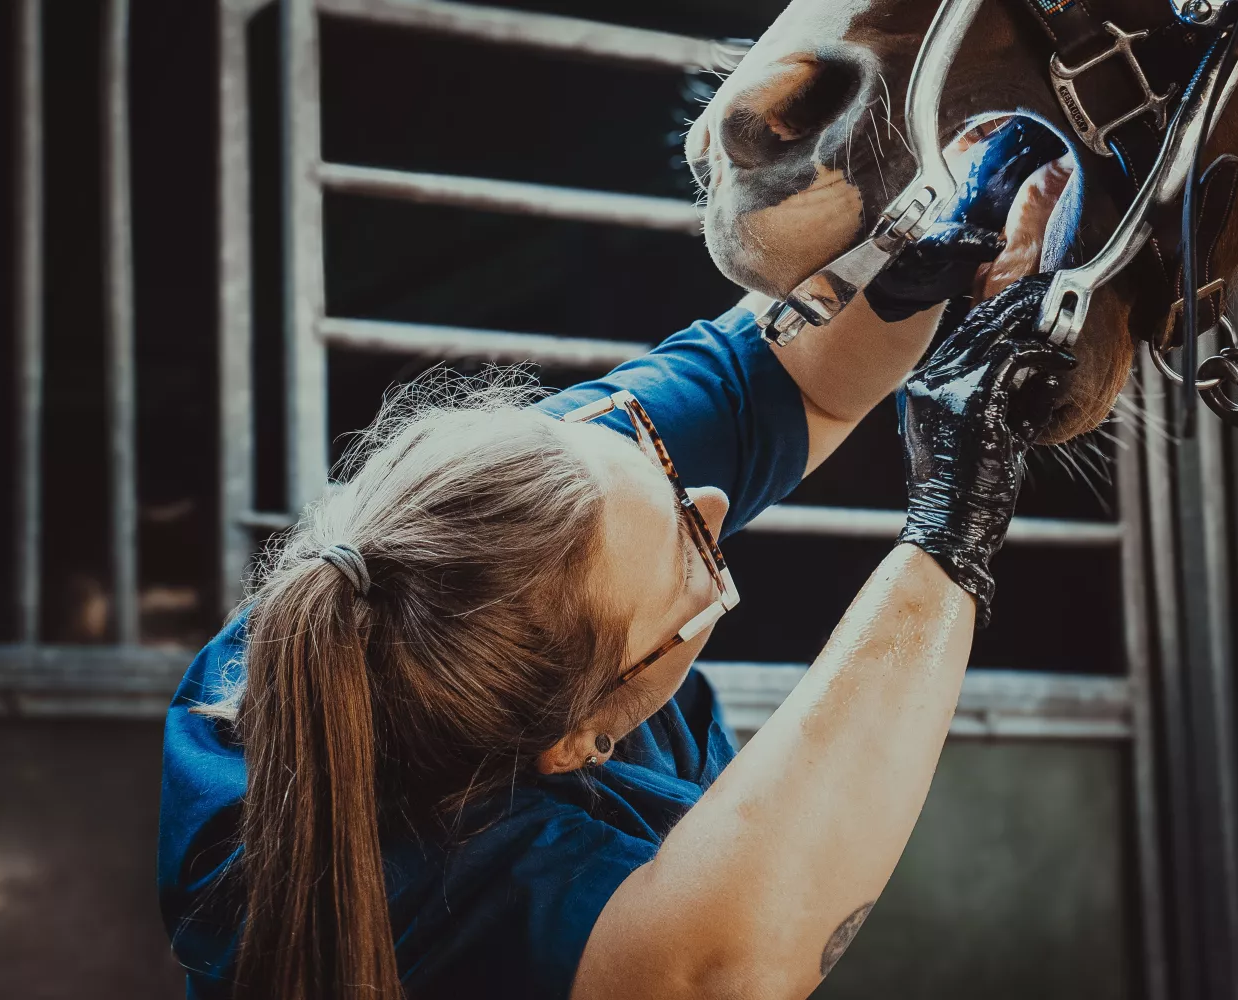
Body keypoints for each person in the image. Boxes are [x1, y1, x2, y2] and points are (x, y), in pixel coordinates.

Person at [158, 134, 1072, 1000]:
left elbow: (788, 380)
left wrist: (923, 227)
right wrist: (954, 525)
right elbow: (723, 970)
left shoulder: (502, 507)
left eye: (660, 468)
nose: (713, 505)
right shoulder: (386, 882)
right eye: (692, 562)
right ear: (582, 739)